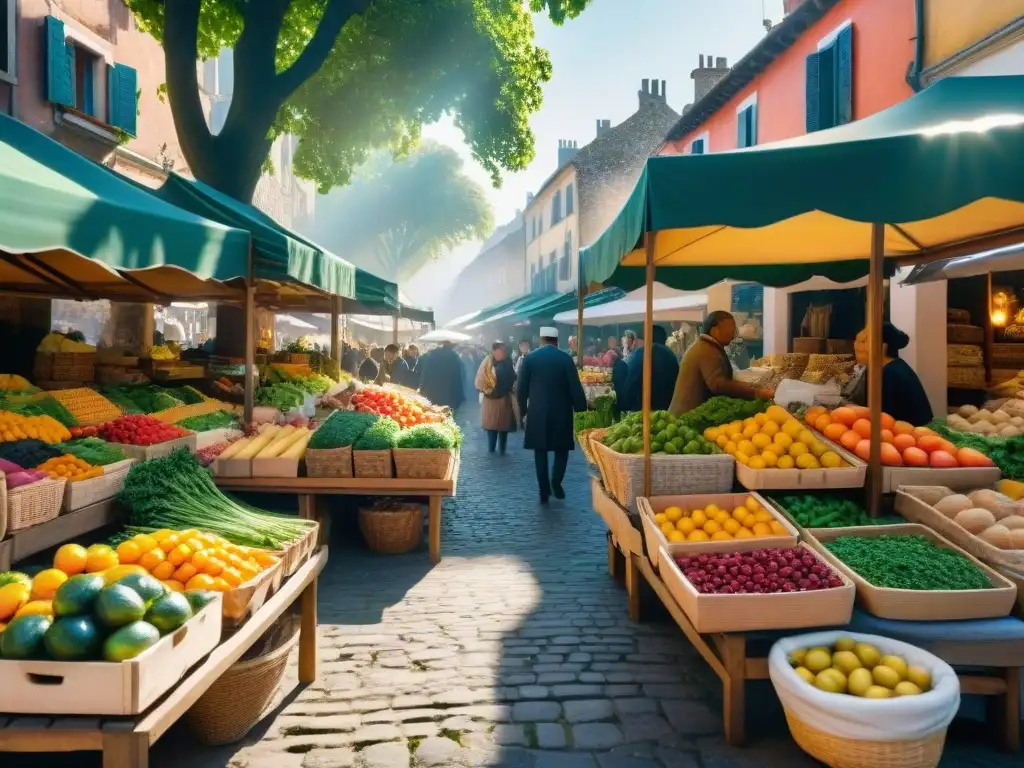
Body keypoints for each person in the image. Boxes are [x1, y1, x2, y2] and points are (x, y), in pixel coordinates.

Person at [517, 326, 588, 504]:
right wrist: (581, 410)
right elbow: (575, 388)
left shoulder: (530, 359)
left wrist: (523, 412)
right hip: (561, 412)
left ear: (541, 340)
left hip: (537, 412)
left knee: (539, 451)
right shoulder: (565, 359)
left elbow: (521, 390)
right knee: (561, 450)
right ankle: (556, 483)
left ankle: (543, 490)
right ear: (556, 341)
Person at [670, 311, 774, 416]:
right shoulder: (706, 350)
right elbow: (719, 385)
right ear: (715, 330)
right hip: (685, 419)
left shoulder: (707, 346)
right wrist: (756, 392)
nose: (733, 336)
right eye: (730, 331)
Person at [847, 322, 934, 426]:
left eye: (863, 341)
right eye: (857, 340)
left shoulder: (891, 373)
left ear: (882, 347)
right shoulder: (880, 368)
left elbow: (884, 419)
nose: (856, 345)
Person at [622, 325, 681, 412]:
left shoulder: (640, 354)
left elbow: (629, 386)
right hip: (668, 410)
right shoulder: (671, 355)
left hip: (643, 412)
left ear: (645, 338)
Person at [475, 342, 517, 454]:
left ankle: (502, 449)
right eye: (501, 350)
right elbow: (480, 379)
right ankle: (491, 448)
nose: (503, 353)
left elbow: (512, 377)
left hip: (504, 398)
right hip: (490, 399)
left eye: (504, 351)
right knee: (491, 425)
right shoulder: (487, 362)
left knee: (503, 426)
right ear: (494, 351)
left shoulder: (508, 362)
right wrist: (489, 390)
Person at [419, 341, 466, 409]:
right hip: (448, 391)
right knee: (446, 413)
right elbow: (459, 376)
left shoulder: (433, 353)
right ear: (452, 345)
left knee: (432, 411)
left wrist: (422, 386)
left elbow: (425, 371)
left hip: (431, 389)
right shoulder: (454, 356)